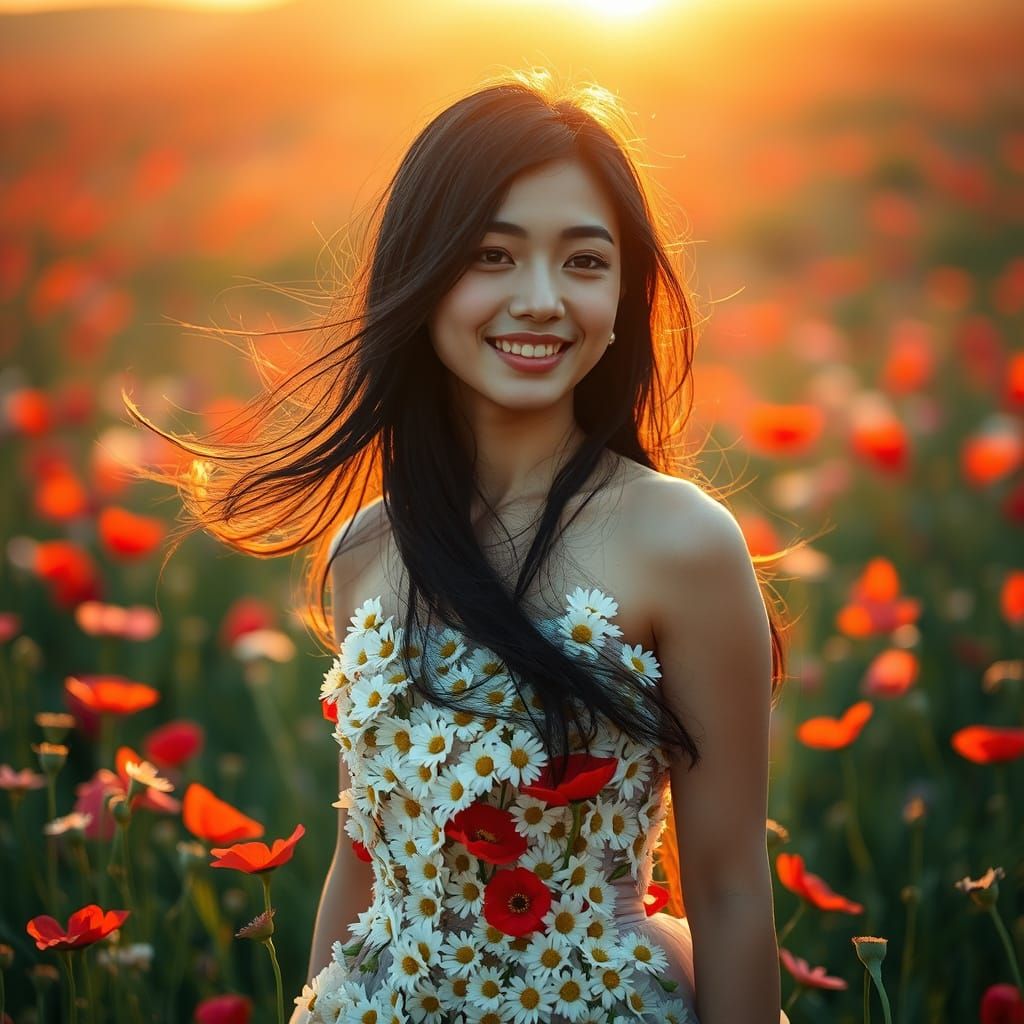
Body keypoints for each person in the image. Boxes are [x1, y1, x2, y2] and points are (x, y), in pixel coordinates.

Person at [130, 68, 792, 1024]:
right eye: (492, 254)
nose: (540, 300)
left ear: (622, 298)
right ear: (423, 274)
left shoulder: (682, 542)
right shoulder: (367, 549)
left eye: (584, 261)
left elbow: (730, 893)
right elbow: (365, 863)